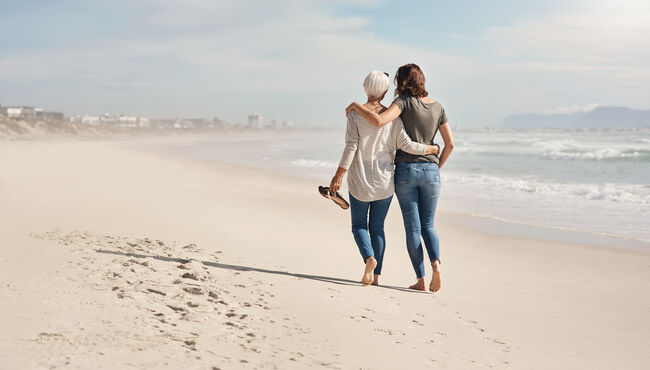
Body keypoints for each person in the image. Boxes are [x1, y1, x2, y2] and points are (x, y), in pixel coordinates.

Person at [345, 63, 454, 292]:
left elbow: (379, 120)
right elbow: (450, 144)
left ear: (401, 82)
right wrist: (435, 167)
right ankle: (436, 265)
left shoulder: (402, 103)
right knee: (428, 225)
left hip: (405, 171)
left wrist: (356, 105)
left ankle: (421, 280)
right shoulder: (439, 107)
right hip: (431, 171)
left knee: (413, 229)